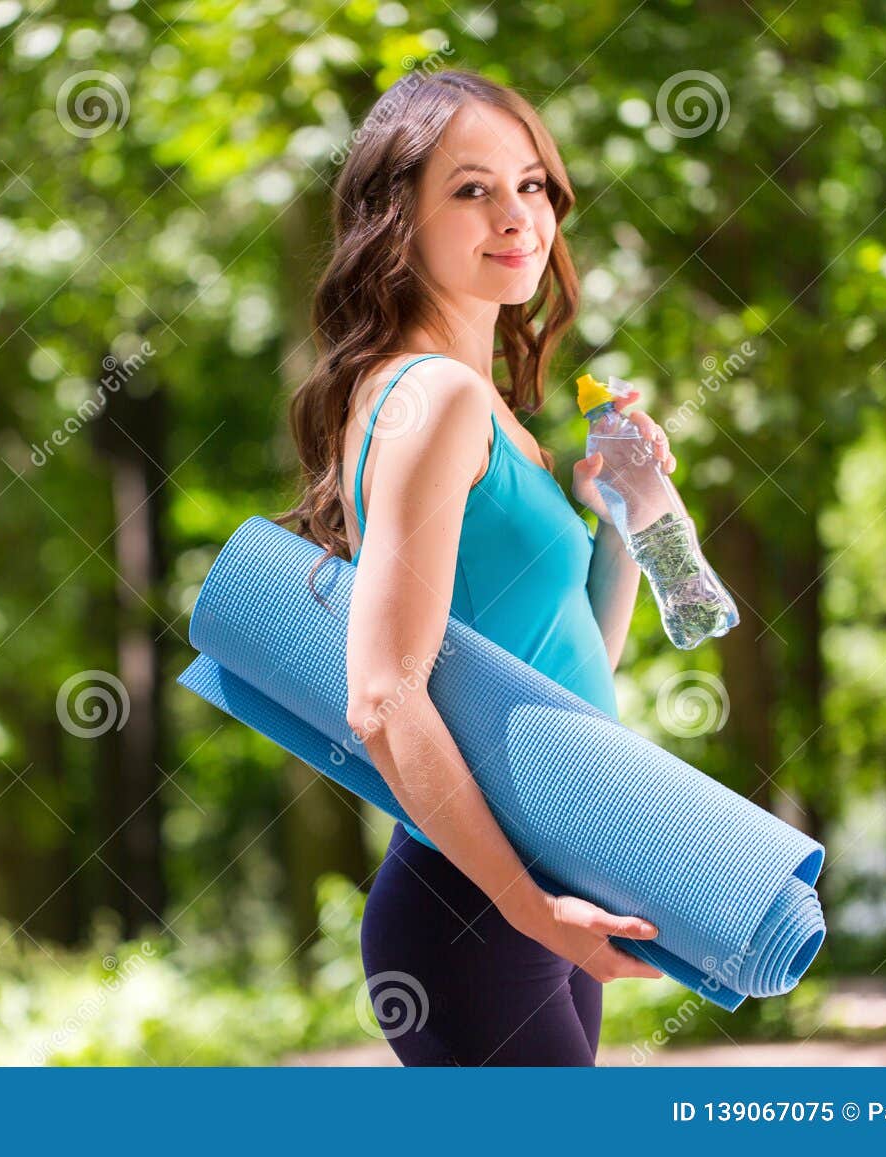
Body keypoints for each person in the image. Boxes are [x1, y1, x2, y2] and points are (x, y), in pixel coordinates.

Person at [279, 69, 678, 1065]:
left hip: (534, 877)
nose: (517, 215)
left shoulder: (486, 409)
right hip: (475, 904)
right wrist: (534, 912)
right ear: (395, 220)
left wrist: (620, 520)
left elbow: (564, 669)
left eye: (532, 184)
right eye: (470, 189)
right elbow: (381, 696)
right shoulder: (434, 399)